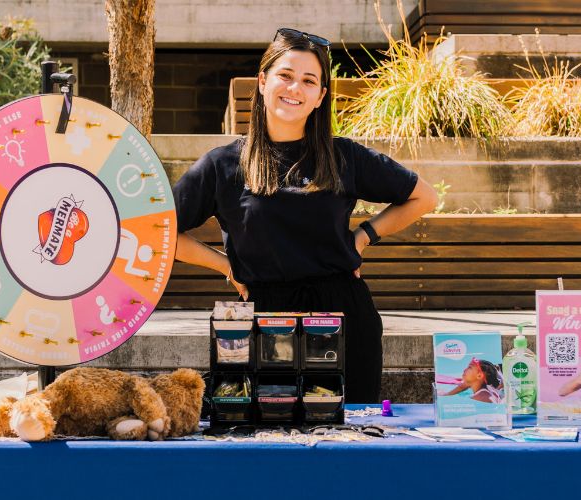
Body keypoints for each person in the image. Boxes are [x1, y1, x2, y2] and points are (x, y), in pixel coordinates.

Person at [172, 28, 437, 403]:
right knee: (265, 443)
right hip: (264, 320)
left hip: (344, 319)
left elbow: (424, 197)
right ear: (262, 82)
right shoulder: (222, 165)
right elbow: (159, 231)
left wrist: (363, 237)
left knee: (349, 443)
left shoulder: (344, 156)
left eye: (308, 81)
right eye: (285, 75)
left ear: (320, 96)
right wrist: (226, 267)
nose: (295, 88)